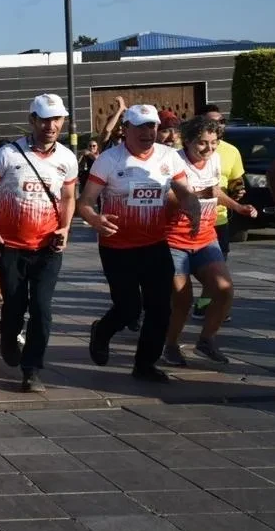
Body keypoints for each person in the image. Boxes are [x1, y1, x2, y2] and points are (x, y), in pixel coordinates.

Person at [78, 104, 203, 382]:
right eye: (142, 126)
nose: (149, 132)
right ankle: (102, 331)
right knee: (129, 308)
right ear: (126, 129)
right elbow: (85, 202)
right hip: (117, 246)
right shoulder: (109, 160)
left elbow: (183, 190)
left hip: (155, 244)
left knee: (160, 308)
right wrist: (95, 219)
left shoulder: (168, 156)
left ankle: (145, 364)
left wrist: (191, 205)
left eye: (153, 126)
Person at [0, 96, 78, 393]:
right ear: (32, 120)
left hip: (48, 247)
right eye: (44, 119)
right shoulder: (8, 154)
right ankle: (7, 336)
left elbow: (69, 198)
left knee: (42, 309)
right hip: (11, 246)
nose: (51, 125)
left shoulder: (67, 159)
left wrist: (66, 228)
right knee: (15, 307)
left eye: (57, 119)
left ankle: (32, 370)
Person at [164, 116, 256, 366]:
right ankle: (170, 345)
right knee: (182, 298)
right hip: (174, 240)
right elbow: (169, 198)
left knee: (224, 289)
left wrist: (238, 206)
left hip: (206, 237)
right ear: (188, 141)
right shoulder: (173, 161)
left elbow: (215, 191)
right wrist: (196, 196)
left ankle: (206, 340)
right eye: (202, 143)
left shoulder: (215, 160)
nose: (209, 148)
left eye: (214, 142)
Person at [192, 103, 245, 321]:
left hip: (218, 218)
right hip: (189, 220)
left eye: (222, 121)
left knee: (218, 267)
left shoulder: (231, 151)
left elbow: (236, 178)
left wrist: (238, 190)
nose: (219, 125)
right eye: (213, 121)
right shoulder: (191, 147)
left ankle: (205, 304)